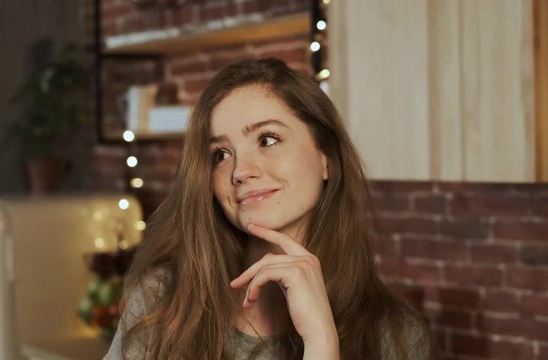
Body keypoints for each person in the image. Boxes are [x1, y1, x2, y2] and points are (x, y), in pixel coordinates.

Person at [104, 58, 431, 359]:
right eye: (220, 154)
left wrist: (320, 342)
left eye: (267, 139)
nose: (240, 171)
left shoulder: (396, 337)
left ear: (326, 158)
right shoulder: (162, 302)